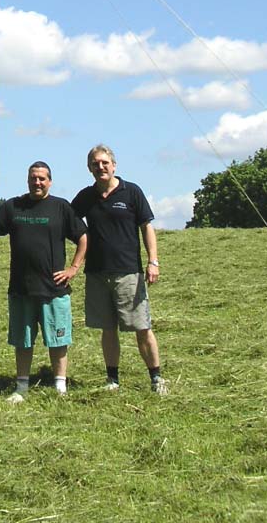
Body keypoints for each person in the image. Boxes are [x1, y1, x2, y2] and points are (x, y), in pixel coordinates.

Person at [0, 162, 87, 402]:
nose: (37, 182)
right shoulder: (14, 206)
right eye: (33, 178)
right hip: (21, 288)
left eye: (42, 178)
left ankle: (60, 386)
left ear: (50, 181)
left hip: (54, 289)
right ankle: (22, 387)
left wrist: (73, 268)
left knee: (58, 340)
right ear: (27, 180)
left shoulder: (61, 207)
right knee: (23, 341)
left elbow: (83, 237)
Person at [71, 144, 167, 395]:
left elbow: (146, 227)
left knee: (141, 327)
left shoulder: (131, 192)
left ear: (114, 165)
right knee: (108, 328)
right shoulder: (86, 197)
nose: (100, 167)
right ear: (89, 168)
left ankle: (156, 378)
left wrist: (153, 261)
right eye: (95, 164)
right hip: (97, 273)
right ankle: (112, 379)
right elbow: (69, 221)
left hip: (129, 272)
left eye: (105, 163)